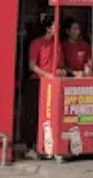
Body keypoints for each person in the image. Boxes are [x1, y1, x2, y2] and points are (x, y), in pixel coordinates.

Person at [23, 16, 64, 153]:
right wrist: (48, 75)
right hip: (37, 82)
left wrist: (61, 71)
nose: (58, 29)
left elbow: (60, 63)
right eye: (55, 26)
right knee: (33, 114)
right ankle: (30, 146)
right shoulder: (37, 43)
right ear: (48, 28)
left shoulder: (58, 44)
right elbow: (32, 66)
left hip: (53, 84)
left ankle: (45, 144)